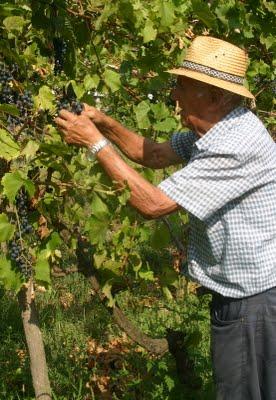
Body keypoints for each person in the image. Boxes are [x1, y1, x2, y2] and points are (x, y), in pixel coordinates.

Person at [55, 36, 276, 400]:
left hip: (254, 306)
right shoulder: (214, 128)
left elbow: (153, 204)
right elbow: (154, 154)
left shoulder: (234, 145)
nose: (174, 93)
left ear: (216, 95)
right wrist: (103, 122)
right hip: (247, 299)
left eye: (183, 85)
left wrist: (95, 143)